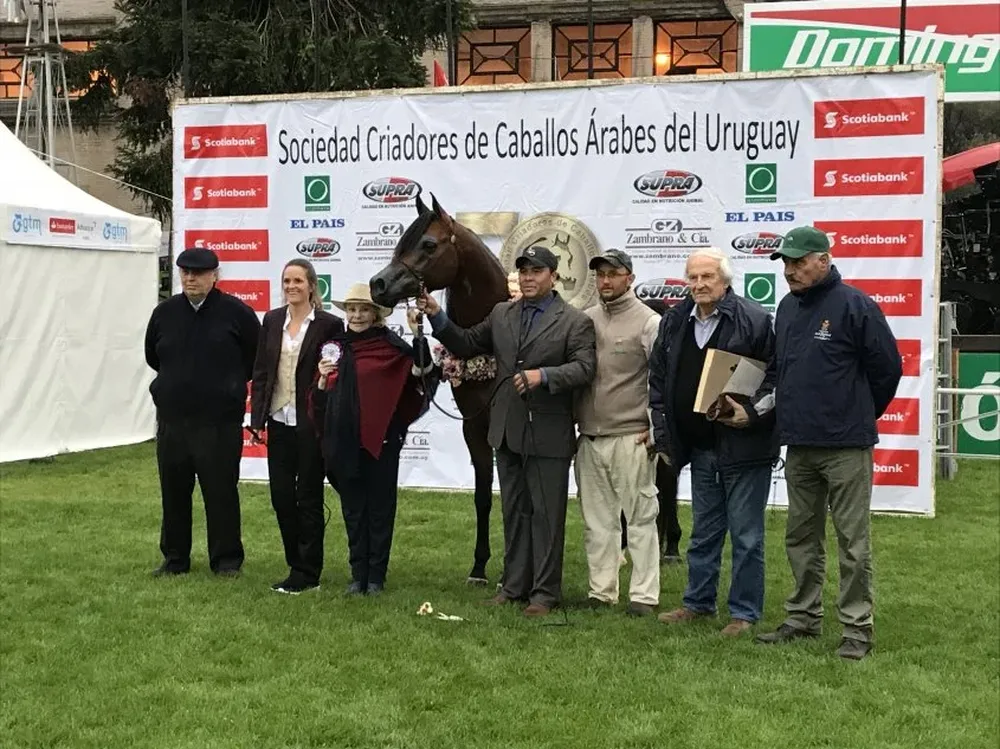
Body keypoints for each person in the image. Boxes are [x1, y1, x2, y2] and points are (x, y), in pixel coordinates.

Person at [417, 245, 596, 617]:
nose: (529, 278)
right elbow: (466, 343)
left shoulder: (575, 321)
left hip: (548, 432)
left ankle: (544, 593)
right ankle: (514, 586)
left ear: (553, 276)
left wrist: (544, 376)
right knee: (514, 512)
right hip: (508, 429)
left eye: (537, 271)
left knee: (546, 516)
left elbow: (584, 368)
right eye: (524, 271)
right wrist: (436, 315)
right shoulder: (502, 313)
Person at [755, 226, 902, 660]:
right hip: (799, 444)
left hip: (846, 446)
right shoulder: (786, 307)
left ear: (824, 259)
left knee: (852, 542)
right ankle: (803, 617)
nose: (790, 270)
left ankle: (857, 628)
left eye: (799, 262)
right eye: (786, 262)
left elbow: (887, 370)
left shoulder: (855, 305)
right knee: (800, 536)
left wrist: (857, 412)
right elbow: (780, 371)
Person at [649, 247, 778, 637]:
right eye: (693, 277)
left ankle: (744, 613)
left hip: (745, 448)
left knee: (747, 536)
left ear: (725, 280)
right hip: (700, 448)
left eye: (707, 276)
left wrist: (750, 413)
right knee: (703, 532)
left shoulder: (755, 320)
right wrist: (664, 436)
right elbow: (658, 381)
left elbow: (776, 378)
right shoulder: (674, 321)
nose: (699, 284)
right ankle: (698, 603)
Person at [313, 282, 439, 596]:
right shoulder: (335, 347)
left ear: (375, 314)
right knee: (353, 510)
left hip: (382, 440)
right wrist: (322, 380)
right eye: (352, 309)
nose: (356, 315)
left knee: (380, 509)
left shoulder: (390, 347)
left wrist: (418, 336)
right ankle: (358, 574)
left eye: (363, 310)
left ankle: (376, 576)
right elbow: (319, 399)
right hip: (344, 439)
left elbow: (421, 372)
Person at [144, 247, 260, 577]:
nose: (190, 278)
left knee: (221, 493)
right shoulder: (164, 313)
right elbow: (153, 355)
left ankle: (226, 561)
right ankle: (175, 559)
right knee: (174, 493)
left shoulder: (237, 313)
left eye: (198, 273)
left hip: (218, 423)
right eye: (185, 272)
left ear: (215, 276)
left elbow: (253, 358)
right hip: (173, 421)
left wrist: (226, 387)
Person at [574, 249, 661, 616]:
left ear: (630, 278)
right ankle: (601, 592)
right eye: (601, 275)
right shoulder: (585, 320)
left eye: (613, 274)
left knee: (640, 519)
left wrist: (655, 426)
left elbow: (662, 379)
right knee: (597, 522)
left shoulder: (649, 322)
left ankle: (643, 595)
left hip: (632, 435)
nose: (606, 281)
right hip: (590, 436)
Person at [250, 259, 344, 595]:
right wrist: (257, 419)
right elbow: (262, 372)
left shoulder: (329, 325)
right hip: (279, 420)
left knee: (308, 496)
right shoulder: (272, 320)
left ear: (312, 286)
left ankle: (308, 572)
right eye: (287, 281)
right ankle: (295, 563)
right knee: (281, 497)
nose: (291, 286)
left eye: (298, 281)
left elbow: (335, 375)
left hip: (311, 423)